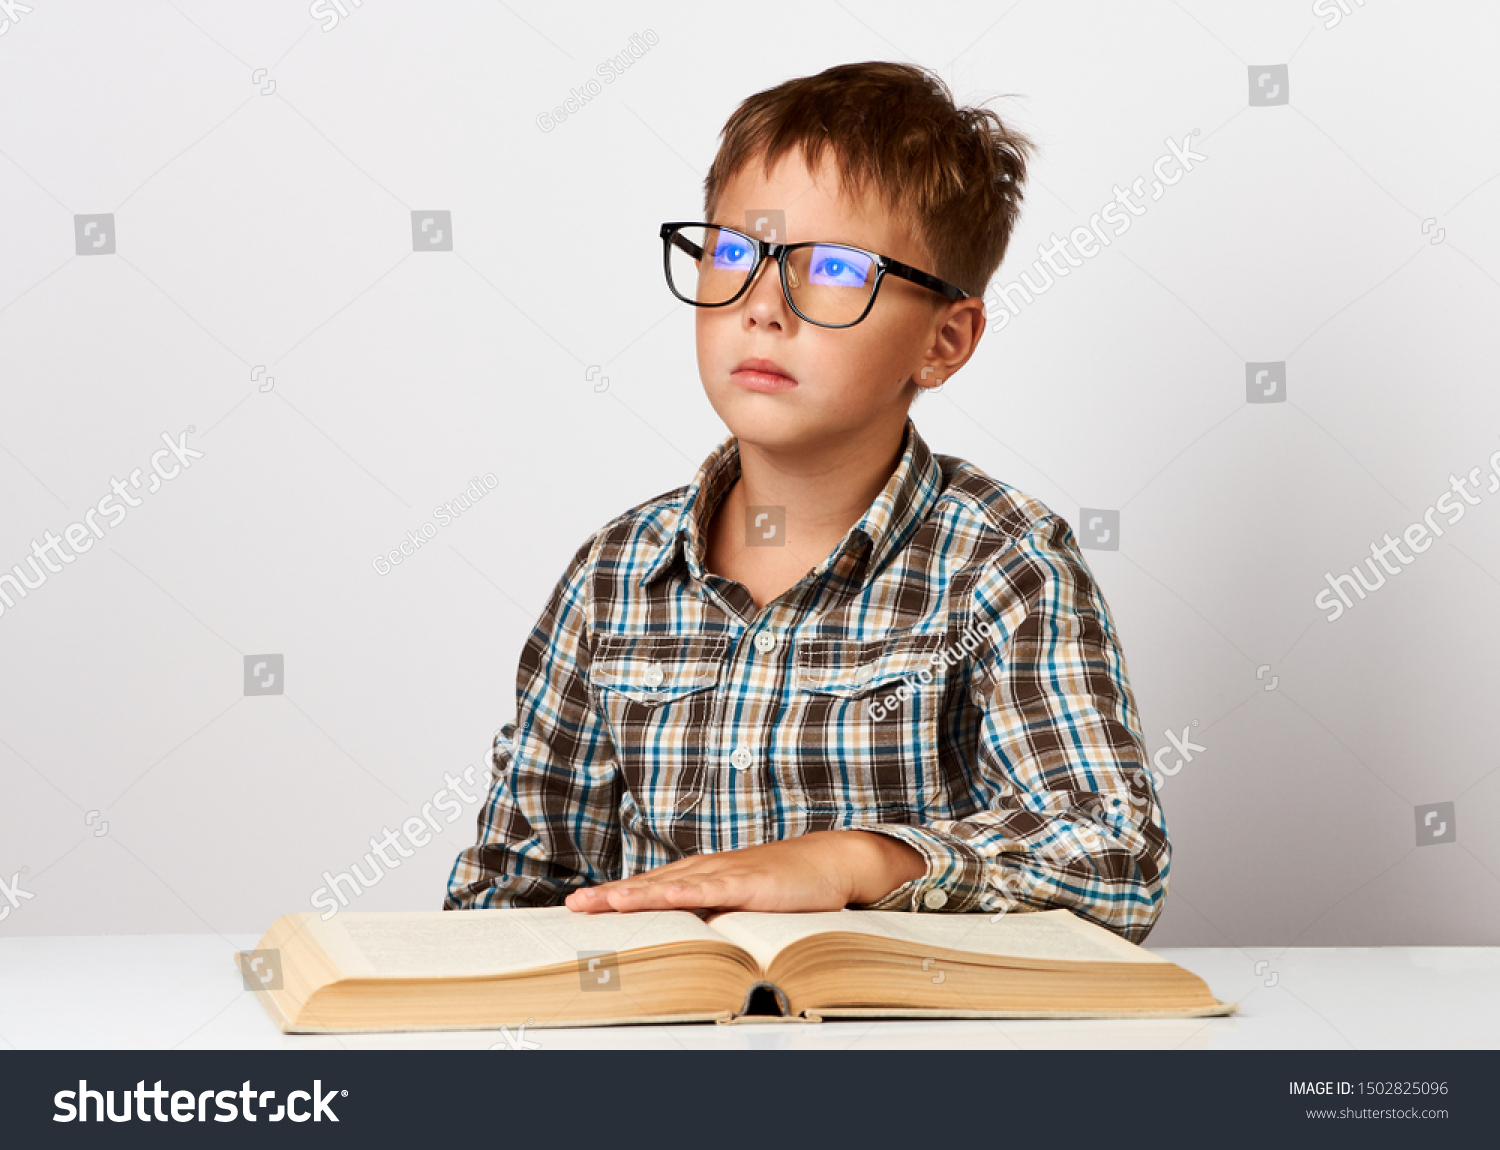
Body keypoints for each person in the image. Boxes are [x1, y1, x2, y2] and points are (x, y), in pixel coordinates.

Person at [444, 61, 1169, 942]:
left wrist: (852, 862)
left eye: (831, 267)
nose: (761, 305)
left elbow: (1113, 856)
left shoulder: (1004, 562)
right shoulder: (616, 573)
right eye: (735, 252)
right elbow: (511, 889)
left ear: (944, 340)